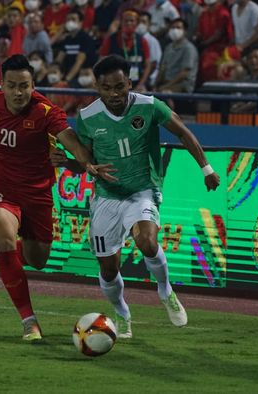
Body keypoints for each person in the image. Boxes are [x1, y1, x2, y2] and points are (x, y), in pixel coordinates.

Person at [0, 54, 115, 341]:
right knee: (5, 236)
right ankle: (29, 321)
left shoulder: (46, 112)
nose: (18, 93)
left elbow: (71, 140)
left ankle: (3, 256)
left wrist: (86, 161)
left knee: (38, 259)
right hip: (1, 186)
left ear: (33, 85)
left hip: (38, 193)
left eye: (25, 86)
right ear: (2, 86)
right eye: (12, 86)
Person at [58, 55, 220, 338]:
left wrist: (206, 169)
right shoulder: (86, 117)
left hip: (143, 189)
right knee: (109, 269)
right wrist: (68, 163)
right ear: (97, 87)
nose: (115, 94)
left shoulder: (149, 106)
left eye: (120, 86)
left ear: (129, 83)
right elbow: (85, 162)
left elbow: (183, 132)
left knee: (146, 241)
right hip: (106, 197)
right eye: (107, 88)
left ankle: (166, 290)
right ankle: (121, 312)